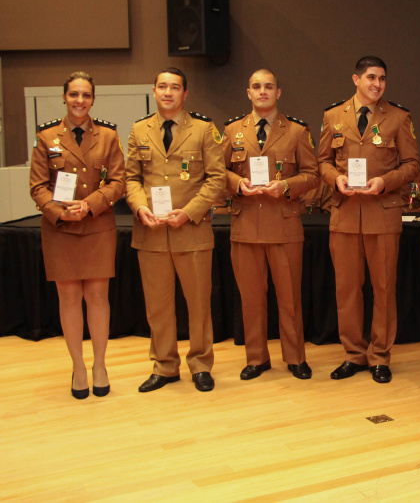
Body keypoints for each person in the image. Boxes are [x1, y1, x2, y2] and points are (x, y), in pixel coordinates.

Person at [317, 56, 420, 383]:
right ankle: (353, 354)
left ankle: (379, 355)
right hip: (345, 214)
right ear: (356, 79)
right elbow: (321, 162)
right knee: (347, 289)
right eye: (371, 78)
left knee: (384, 287)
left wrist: (385, 182)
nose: (377, 84)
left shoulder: (399, 117)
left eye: (382, 79)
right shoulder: (333, 116)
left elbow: (412, 165)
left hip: (383, 213)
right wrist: (336, 179)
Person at [125, 67, 227, 393]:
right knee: (158, 306)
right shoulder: (139, 130)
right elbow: (131, 179)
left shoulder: (203, 129)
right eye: (163, 87)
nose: (168, 92)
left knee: (198, 304)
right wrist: (140, 207)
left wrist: (189, 212)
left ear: (185, 93)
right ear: (154, 91)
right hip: (152, 231)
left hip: (192, 230)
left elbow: (216, 179)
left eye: (175, 87)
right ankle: (165, 366)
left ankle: (200, 365)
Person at [28, 71, 126, 399]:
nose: (79, 101)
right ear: (64, 97)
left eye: (85, 95)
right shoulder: (46, 138)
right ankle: (79, 367)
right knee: (69, 299)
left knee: (97, 298)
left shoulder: (109, 137)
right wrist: (58, 211)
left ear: (93, 99)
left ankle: (99, 364)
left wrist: (90, 205)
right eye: (74, 95)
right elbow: (37, 187)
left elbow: (118, 182)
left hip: (97, 225)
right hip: (60, 229)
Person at [223, 69, 320, 381]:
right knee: (251, 299)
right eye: (256, 87)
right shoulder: (231, 130)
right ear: (247, 93)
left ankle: (294, 358)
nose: (262, 91)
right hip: (246, 225)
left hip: (284, 224)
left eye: (268, 87)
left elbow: (313, 175)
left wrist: (287, 186)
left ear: (278, 93)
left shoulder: (296, 131)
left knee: (290, 298)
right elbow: (217, 172)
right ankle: (257, 358)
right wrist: (238, 183)